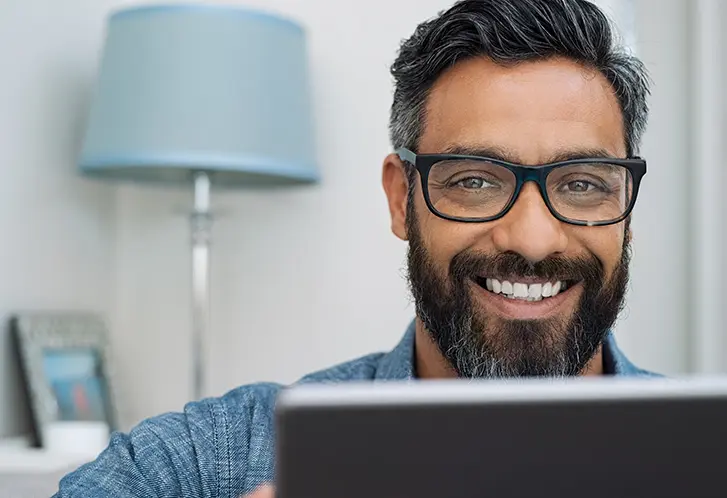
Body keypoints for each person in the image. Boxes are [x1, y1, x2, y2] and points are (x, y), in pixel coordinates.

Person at [54, 0, 658, 496]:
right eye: (474, 180)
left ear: (626, 211)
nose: (530, 238)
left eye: (582, 184)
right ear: (402, 200)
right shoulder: (219, 460)